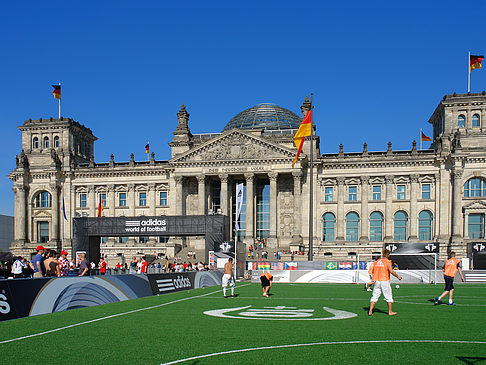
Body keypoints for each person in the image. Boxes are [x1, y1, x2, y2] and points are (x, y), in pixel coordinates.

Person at [368, 249, 402, 316]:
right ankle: (390, 311)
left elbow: (373, 270)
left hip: (377, 280)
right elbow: (391, 271)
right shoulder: (388, 261)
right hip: (384, 280)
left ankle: (370, 311)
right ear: (388, 255)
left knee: (374, 296)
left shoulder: (377, 261)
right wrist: (398, 277)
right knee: (388, 296)